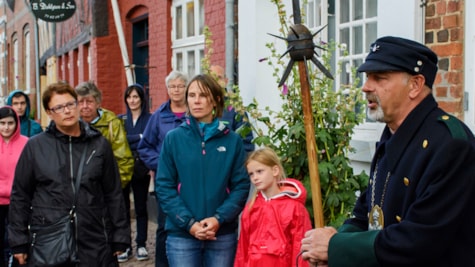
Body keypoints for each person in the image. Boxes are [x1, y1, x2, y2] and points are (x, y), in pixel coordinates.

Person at [300, 36, 475, 266]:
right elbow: (368, 209)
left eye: (379, 78)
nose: (365, 87)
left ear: (415, 85)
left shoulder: (451, 144)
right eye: (367, 77)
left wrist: (336, 247)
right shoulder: (392, 132)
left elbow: (420, 240)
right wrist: (334, 244)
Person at [8, 82, 131, 266]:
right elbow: (20, 196)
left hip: (94, 238)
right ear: (49, 113)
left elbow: (113, 193)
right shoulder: (36, 147)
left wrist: (120, 234)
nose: (67, 111)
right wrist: (19, 242)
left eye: (71, 104)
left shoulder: (99, 145)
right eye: (59, 107)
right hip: (49, 239)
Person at [156, 74, 250, 267]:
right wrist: (189, 223)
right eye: (191, 95)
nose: (196, 100)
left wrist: (219, 218)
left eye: (203, 95)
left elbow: (241, 186)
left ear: (215, 100)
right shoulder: (174, 139)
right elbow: (164, 186)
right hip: (182, 235)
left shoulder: (232, 141)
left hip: (221, 234)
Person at [137, 70, 188, 267]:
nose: (176, 90)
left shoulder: (194, 114)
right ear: (167, 89)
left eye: (180, 86)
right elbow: (145, 147)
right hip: (166, 181)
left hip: (191, 179)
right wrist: (163, 164)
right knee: (165, 224)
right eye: (172, 86)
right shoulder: (159, 116)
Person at [234, 147, 311, 267]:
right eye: (251, 174)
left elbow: (300, 249)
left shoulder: (295, 208)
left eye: (260, 171)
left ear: (275, 170)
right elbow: (242, 249)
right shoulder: (251, 207)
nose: (255, 177)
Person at [75, 81, 134, 189]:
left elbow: (124, 160)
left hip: (106, 191)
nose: (85, 106)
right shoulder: (72, 125)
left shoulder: (112, 124)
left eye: (89, 102)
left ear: (98, 103)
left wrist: (114, 188)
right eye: (80, 102)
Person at [117, 83, 152, 262]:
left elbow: (148, 141)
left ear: (141, 99)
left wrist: (137, 140)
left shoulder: (150, 119)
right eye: (129, 97)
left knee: (140, 207)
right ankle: (125, 246)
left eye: (136, 97)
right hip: (122, 169)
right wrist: (138, 138)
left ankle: (141, 244)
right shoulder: (121, 119)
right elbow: (119, 141)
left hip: (140, 168)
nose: (132, 100)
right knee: (122, 209)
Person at [0, 107, 28, 267]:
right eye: (2, 123)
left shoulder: (26, 143)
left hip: (18, 201)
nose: (6, 127)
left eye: (10, 123)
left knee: (18, 242)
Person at [209, 65, 254, 152]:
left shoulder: (235, 109)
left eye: (219, 77)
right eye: (211, 78)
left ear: (226, 81)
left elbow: (247, 144)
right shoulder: (198, 106)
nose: (215, 81)